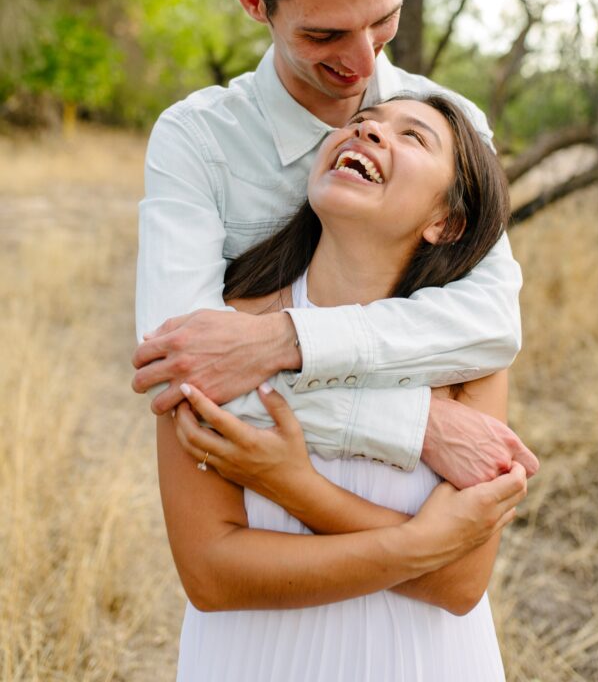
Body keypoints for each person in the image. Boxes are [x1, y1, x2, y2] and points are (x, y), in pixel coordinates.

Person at [133, 0, 536, 488]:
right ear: (254, 1)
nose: (365, 65)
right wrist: (417, 425)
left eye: (384, 19)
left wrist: (281, 342)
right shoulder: (198, 141)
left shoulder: (455, 127)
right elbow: (180, 365)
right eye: (324, 35)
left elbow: (489, 323)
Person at [158, 94, 530, 681]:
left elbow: (460, 584)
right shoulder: (221, 334)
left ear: (446, 221)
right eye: (362, 123)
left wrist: (296, 486)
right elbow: (209, 572)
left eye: (413, 137)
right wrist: (417, 545)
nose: (370, 132)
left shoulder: (465, 356)